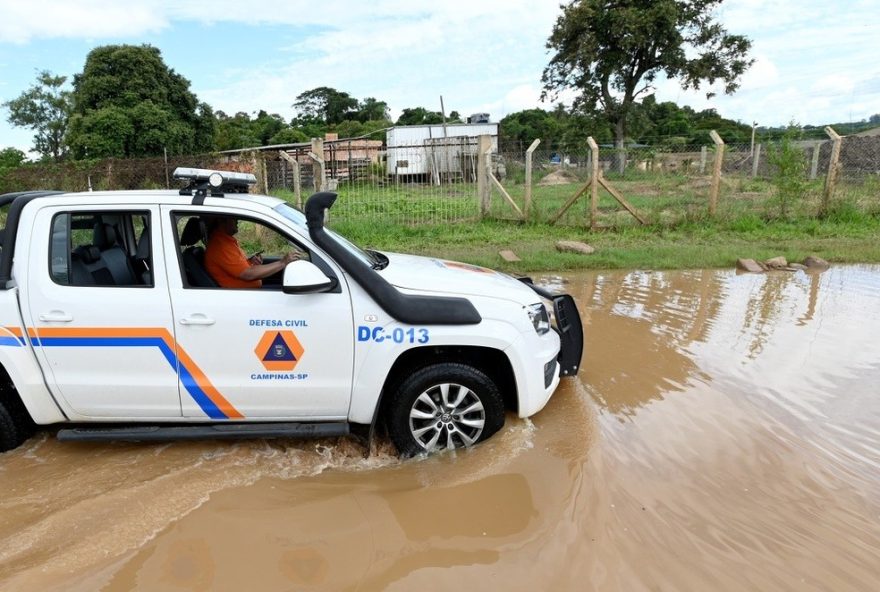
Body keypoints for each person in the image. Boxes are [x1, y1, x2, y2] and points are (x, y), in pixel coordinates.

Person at [204, 217, 298, 288]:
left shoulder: (225, 241)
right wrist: (282, 263)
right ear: (221, 221)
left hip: (249, 294)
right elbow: (247, 274)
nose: (237, 221)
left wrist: (250, 262)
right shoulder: (220, 246)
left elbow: (238, 269)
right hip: (243, 298)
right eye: (233, 218)